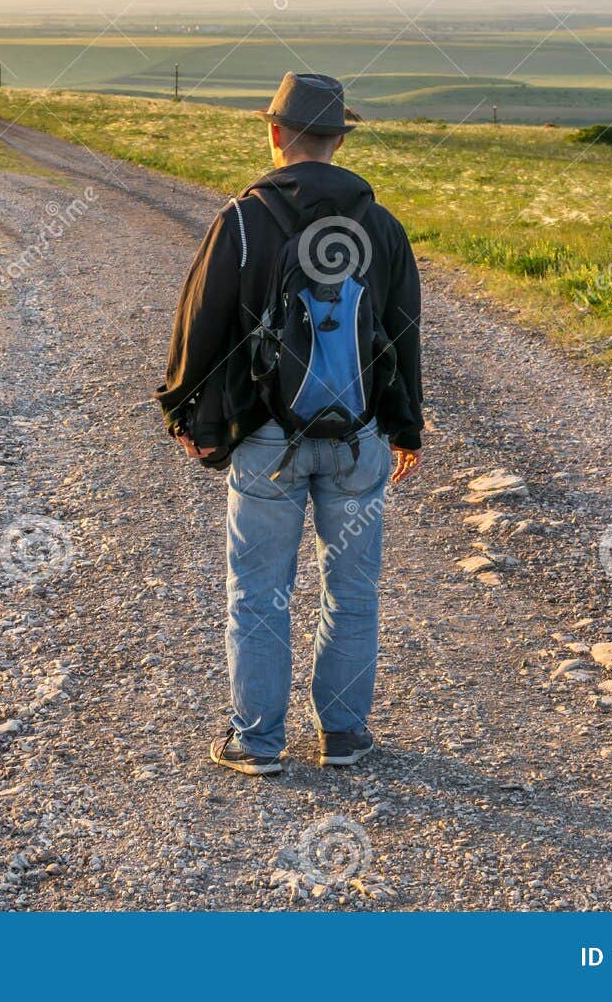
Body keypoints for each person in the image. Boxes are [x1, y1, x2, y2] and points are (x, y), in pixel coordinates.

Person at [155, 71, 425, 776]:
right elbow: (402, 335)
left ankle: (258, 742)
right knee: (353, 589)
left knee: (259, 591)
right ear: (340, 139)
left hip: (265, 441)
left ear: (275, 133)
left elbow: (200, 325)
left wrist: (184, 409)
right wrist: (405, 429)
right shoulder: (383, 225)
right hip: (359, 439)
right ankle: (343, 734)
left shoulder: (242, 221)